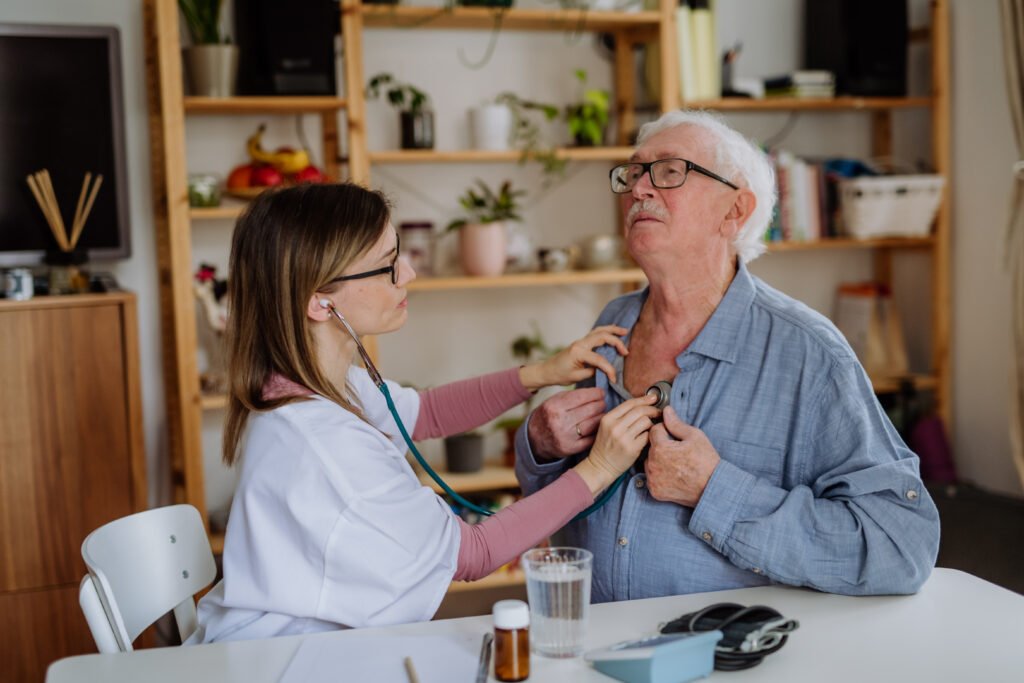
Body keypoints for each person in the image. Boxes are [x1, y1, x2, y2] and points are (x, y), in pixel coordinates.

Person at [189, 183, 661, 643]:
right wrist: (601, 468)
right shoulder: (327, 441)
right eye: (387, 266)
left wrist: (541, 373)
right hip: (281, 659)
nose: (409, 273)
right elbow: (473, 554)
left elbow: (426, 413)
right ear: (321, 302)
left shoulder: (313, 384)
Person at [515, 109, 941, 601]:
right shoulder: (615, 321)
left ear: (734, 211)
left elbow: (900, 547)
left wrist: (711, 489)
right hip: (588, 641)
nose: (639, 189)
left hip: (728, 648)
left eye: (669, 171)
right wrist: (541, 448)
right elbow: (567, 497)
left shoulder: (808, 353)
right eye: (634, 172)